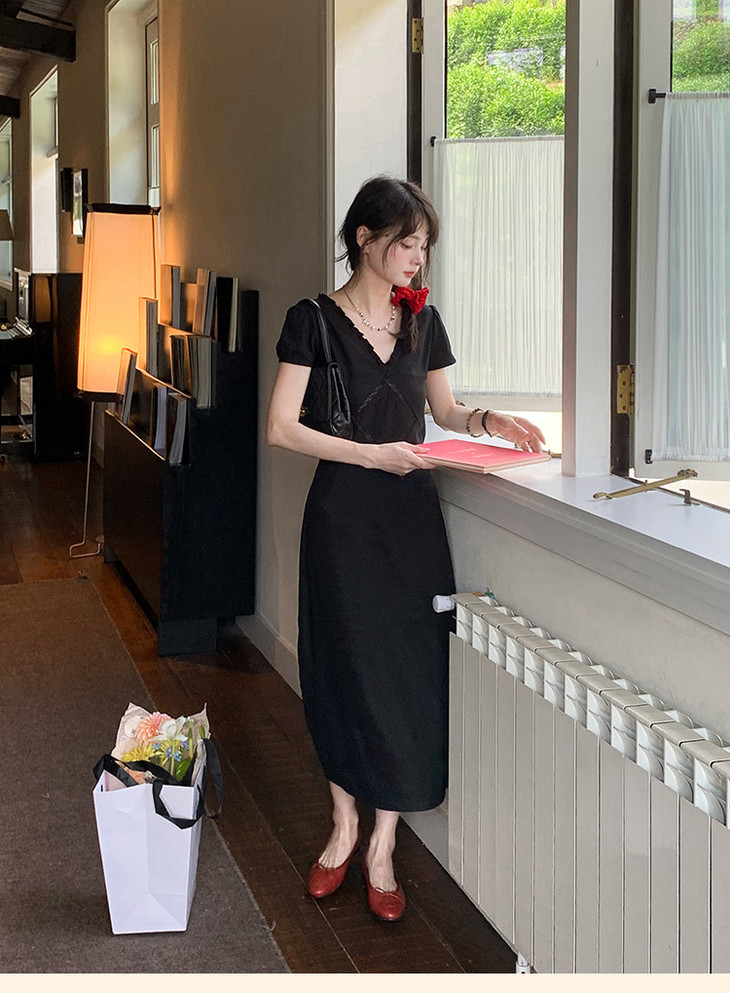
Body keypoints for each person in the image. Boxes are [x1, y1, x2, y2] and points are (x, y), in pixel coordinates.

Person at [267, 175, 545, 921]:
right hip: (343, 518)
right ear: (365, 238)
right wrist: (372, 455)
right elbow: (282, 427)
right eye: (407, 242)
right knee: (341, 663)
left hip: (411, 522)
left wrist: (489, 421)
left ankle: (383, 842)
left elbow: (443, 409)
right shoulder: (312, 321)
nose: (419, 258)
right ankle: (344, 824)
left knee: (407, 668)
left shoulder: (423, 320)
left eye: (425, 245)